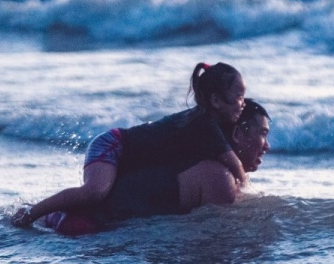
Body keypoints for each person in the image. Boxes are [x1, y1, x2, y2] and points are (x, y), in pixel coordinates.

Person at [11, 62, 247, 228]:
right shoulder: (205, 124)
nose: (243, 104)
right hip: (113, 146)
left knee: (102, 197)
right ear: (216, 100)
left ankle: (50, 213)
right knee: (95, 192)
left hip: (124, 155)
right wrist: (249, 192)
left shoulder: (202, 122)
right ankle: (31, 213)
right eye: (239, 97)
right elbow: (234, 165)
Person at [42, 99, 270, 235]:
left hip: (67, 219)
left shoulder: (196, 157)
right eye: (263, 134)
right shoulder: (218, 177)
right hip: (84, 230)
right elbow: (210, 238)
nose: (267, 146)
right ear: (238, 134)